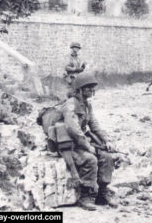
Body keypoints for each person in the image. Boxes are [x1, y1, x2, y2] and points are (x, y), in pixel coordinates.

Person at [56, 73, 117, 211]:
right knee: (90, 160)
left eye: (92, 88)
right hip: (69, 143)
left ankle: (102, 192)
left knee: (107, 157)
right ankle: (85, 196)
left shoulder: (87, 105)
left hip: (81, 142)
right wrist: (88, 146)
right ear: (79, 90)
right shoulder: (70, 105)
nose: (91, 91)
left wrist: (106, 140)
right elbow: (73, 129)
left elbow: (94, 124)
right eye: (88, 88)